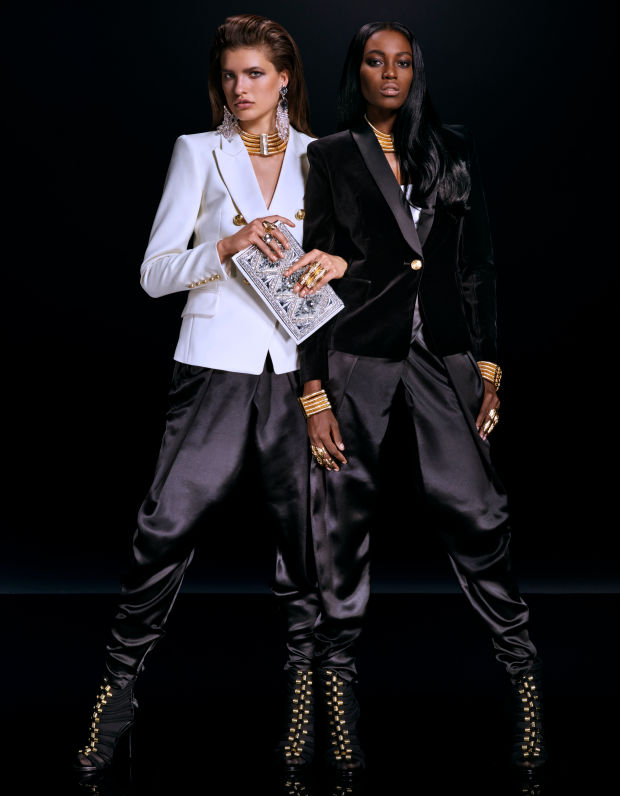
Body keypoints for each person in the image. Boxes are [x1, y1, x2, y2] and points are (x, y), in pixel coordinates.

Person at [72, 14, 347, 778]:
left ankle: (303, 712)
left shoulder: (326, 156)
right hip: (212, 367)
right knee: (162, 532)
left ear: (284, 78)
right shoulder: (198, 151)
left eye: (254, 73)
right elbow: (153, 274)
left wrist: (332, 269)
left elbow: (355, 262)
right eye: (229, 75)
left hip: (298, 374)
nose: (239, 88)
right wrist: (223, 246)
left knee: (307, 548)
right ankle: (114, 706)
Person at [285, 20, 547, 773]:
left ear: (416, 71)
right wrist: (312, 389)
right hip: (357, 353)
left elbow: (478, 263)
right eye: (376, 62)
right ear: (358, 72)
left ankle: (526, 694)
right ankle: (336, 708)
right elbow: (309, 275)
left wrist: (489, 364)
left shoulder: (451, 147)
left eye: (402, 62)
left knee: (478, 512)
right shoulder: (331, 155)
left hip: (445, 355)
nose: (390, 73)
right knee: (338, 522)